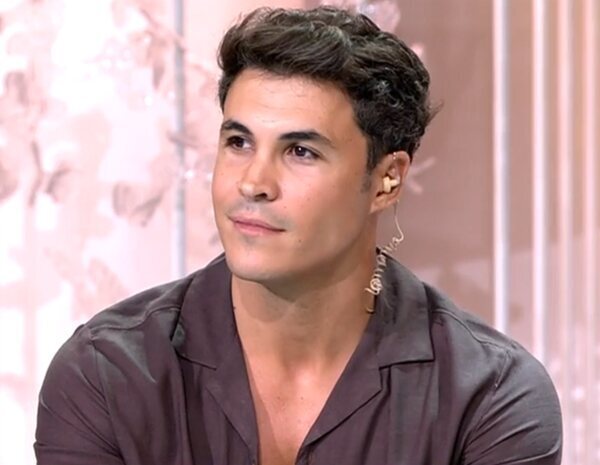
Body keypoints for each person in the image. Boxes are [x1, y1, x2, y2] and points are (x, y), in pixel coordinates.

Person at [34, 6, 562, 465]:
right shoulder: (106, 375)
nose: (253, 183)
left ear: (387, 180)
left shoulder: (489, 396)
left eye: (300, 152)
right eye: (239, 142)